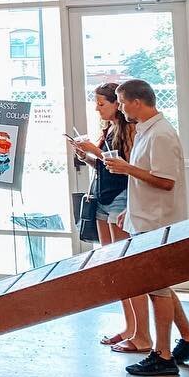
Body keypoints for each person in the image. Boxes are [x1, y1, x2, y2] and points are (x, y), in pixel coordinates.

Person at [104, 80, 189, 377]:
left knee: (157, 289)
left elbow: (166, 181)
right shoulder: (145, 130)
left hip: (159, 222)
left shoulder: (161, 134)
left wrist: (127, 168)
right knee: (158, 287)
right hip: (145, 217)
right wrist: (131, 208)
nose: (121, 107)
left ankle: (162, 355)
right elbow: (147, 178)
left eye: (122, 102)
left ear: (138, 102)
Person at [71, 84, 144, 351]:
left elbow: (124, 167)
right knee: (113, 265)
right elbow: (106, 166)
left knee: (126, 265)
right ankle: (129, 325)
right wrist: (88, 155)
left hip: (120, 199)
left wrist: (96, 150)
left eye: (102, 104)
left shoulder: (130, 130)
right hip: (102, 198)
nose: (97, 108)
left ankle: (140, 331)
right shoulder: (109, 129)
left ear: (117, 103)